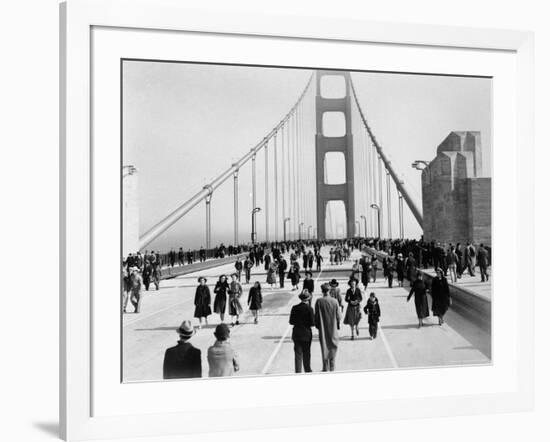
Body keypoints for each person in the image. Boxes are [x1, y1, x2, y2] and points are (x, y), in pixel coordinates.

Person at [315, 283, 342, 372]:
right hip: (333, 328)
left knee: (324, 347)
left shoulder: (319, 301)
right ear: (329, 291)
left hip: (323, 330)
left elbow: (316, 317)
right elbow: (339, 316)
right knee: (333, 347)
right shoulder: (334, 301)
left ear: (322, 291)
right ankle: (332, 368)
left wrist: (318, 326)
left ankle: (325, 368)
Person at [289, 290, 315, 373]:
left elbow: (291, 321)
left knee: (298, 354)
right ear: (308, 299)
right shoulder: (309, 309)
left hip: (296, 333)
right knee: (307, 353)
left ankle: (298, 371)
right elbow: (312, 323)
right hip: (306, 334)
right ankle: (307, 370)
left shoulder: (294, 308)